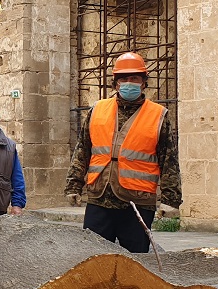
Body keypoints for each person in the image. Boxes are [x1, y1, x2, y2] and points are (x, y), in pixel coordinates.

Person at [64, 52, 181, 253]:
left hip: (137, 203)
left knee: (135, 263)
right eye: (124, 79)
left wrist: (171, 200)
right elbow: (82, 150)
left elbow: (168, 160)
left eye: (134, 78)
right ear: (116, 83)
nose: (129, 83)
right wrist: (73, 185)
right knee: (93, 259)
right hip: (100, 198)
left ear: (144, 82)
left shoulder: (158, 115)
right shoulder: (98, 109)